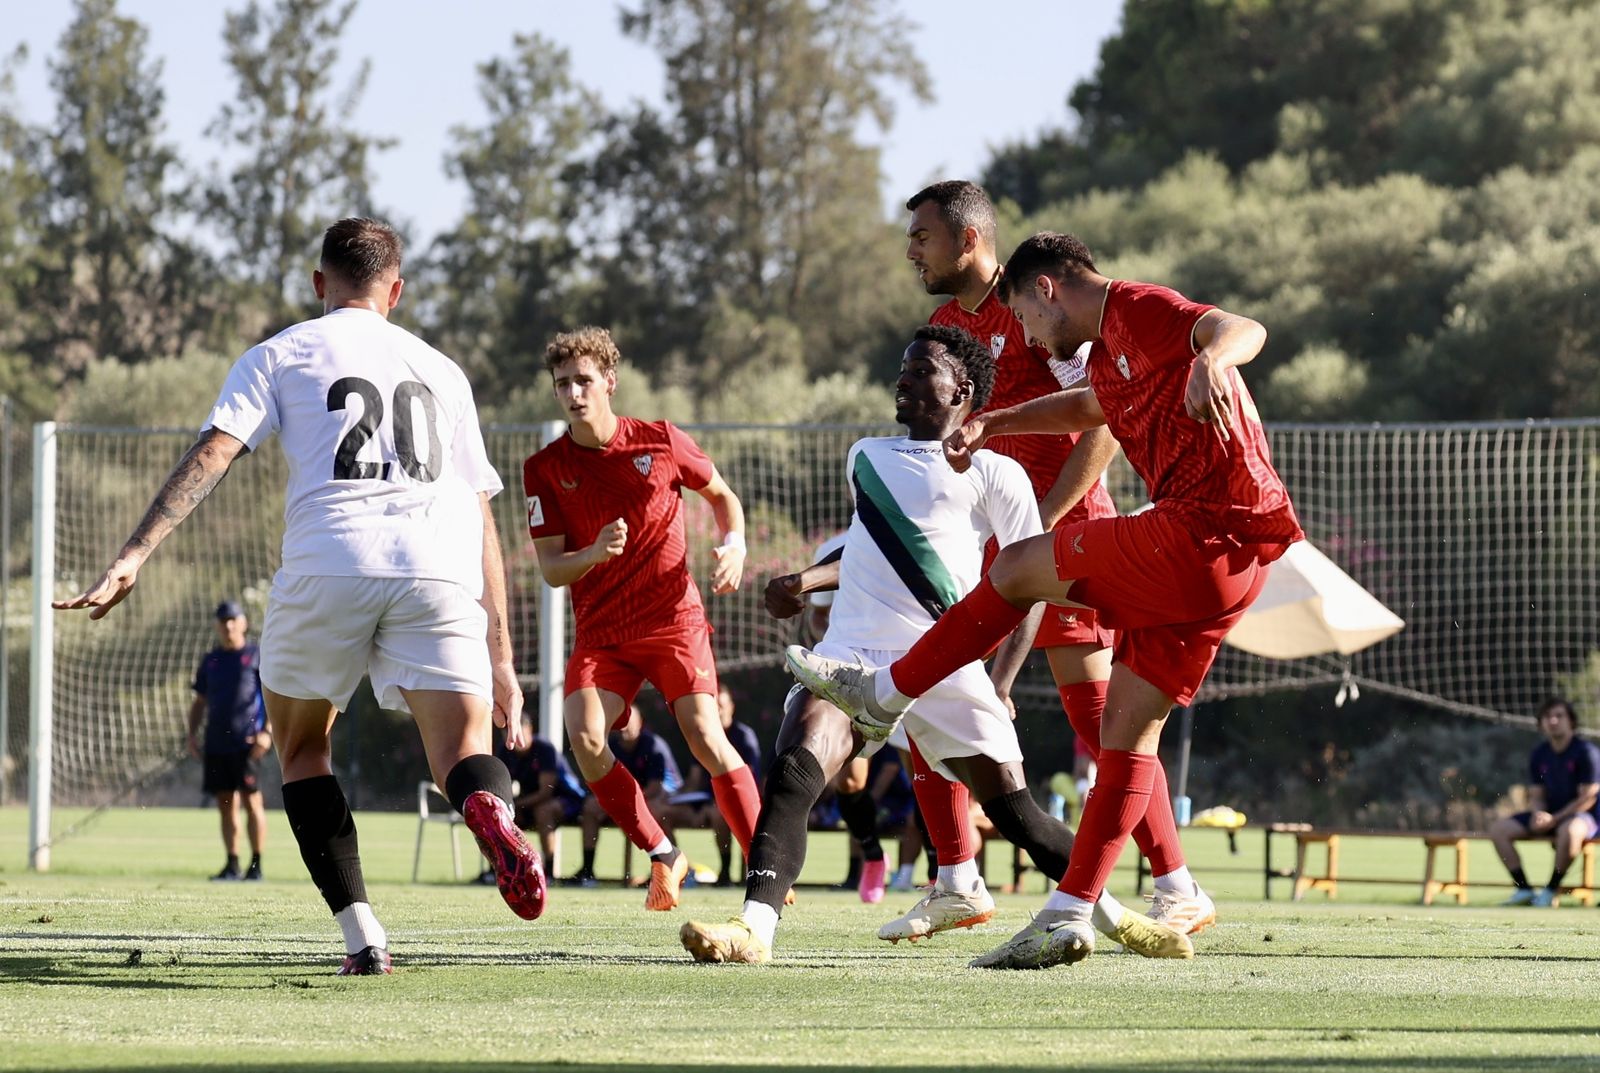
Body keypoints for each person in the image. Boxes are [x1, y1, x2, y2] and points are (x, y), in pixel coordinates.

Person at [787, 233, 1303, 969]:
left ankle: (886, 692)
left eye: (1025, 321)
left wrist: (1215, 359)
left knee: (1019, 563)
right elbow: (1091, 406)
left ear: (1046, 289)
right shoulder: (1111, 355)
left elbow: (1240, 329)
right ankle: (1069, 912)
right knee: (1125, 732)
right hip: (1234, 563)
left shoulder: (1136, 306)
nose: (1027, 338)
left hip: (1199, 533)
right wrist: (995, 422)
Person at [54, 217, 543, 976]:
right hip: (440, 568)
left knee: (304, 748)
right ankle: (493, 809)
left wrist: (133, 553)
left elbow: (215, 451)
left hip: (333, 562)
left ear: (320, 283)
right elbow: (482, 512)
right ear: (397, 290)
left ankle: (363, 938)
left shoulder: (281, 353)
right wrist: (502, 654)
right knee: (464, 754)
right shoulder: (443, 370)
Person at [678, 324, 1191, 964]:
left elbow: (1028, 579)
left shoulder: (999, 474)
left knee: (1018, 817)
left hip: (945, 664)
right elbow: (871, 547)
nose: (905, 378)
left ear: (963, 390)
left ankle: (1115, 919)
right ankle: (754, 930)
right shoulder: (865, 455)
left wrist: (999, 682)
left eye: (922, 369)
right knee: (794, 769)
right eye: (904, 368)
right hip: (851, 658)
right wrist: (804, 582)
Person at [898, 180, 1211, 939]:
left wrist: (1046, 523)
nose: (913, 250)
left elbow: (1101, 420)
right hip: (988, 538)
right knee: (924, 683)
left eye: (924, 237)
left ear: (969, 240)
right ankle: (955, 876)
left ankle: (1176, 884)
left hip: (1062, 531)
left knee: (1104, 718)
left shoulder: (1036, 306)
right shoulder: (945, 323)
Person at [522, 326, 760, 913]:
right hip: (603, 632)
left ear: (609, 381)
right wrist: (593, 552)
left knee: (706, 737)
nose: (573, 393)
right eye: (562, 384)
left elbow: (724, 497)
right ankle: (663, 853)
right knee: (584, 736)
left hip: (672, 619)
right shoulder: (544, 469)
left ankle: (767, 866)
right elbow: (554, 570)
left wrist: (735, 544)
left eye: (583, 380)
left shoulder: (661, 440)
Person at [188, 599, 270, 882]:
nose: (229, 625)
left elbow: (272, 697)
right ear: (217, 626)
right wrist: (191, 734)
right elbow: (199, 701)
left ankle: (256, 865)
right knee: (225, 804)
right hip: (216, 744)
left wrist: (267, 733)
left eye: (234, 619)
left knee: (252, 802)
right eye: (224, 621)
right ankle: (232, 864)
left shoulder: (257, 656)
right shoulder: (210, 661)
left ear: (244, 623)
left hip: (247, 745)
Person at [1490, 698, 1600, 907]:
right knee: (1498, 829)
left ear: (1572, 722)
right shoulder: (1539, 754)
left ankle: (1550, 891)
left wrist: (1554, 819)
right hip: (1550, 816)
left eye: (1559, 716)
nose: (1553, 720)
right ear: (1541, 724)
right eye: (1547, 717)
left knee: (1570, 831)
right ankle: (1523, 889)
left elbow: (1587, 798)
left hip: (1583, 817)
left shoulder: (1586, 752)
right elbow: (1537, 795)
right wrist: (1538, 813)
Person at [571, 703, 682, 888]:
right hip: (623, 800)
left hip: (663, 798)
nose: (625, 726)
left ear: (641, 723)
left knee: (656, 811)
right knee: (590, 807)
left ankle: (670, 866)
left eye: (631, 721)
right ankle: (587, 871)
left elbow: (656, 788)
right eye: (622, 721)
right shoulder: (610, 745)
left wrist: (624, 802)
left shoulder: (654, 746)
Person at [665, 684, 763, 885]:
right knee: (660, 812)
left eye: (721, 705)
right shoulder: (704, 736)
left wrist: (714, 805)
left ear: (731, 707)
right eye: (714, 705)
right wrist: (677, 799)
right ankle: (674, 869)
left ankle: (727, 873)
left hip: (728, 804)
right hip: (704, 801)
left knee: (720, 815)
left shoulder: (744, 737)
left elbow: (750, 782)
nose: (718, 710)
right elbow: (694, 780)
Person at [483, 715, 588, 883]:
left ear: (529, 730)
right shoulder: (505, 750)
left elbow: (545, 792)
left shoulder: (545, 749)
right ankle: (500, 869)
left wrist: (515, 804)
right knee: (498, 812)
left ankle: (549, 872)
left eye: (519, 732)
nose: (515, 738)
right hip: (530, 802)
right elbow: (499, 784)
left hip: (568, 799)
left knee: (543, 811)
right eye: (510, 733)